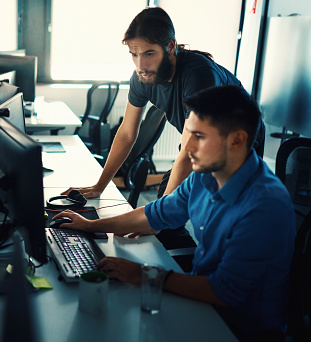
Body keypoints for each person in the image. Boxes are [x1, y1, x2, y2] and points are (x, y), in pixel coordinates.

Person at [53, 85, 294, 340]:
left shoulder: (265, 207)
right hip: (201, 305)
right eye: (188, 133)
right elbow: (154, 215)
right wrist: (89, 225)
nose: (187, 147)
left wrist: (143, 274)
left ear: (237, 140)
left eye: (199, 136)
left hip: (239, 328)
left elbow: (224, 292)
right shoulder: (204, 176)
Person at [61, 7, 265, 263]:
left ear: (170, 46)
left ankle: (190, 270)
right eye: (133, 54)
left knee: (212, 216)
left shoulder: (198, 74)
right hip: (200, 148)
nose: (140, 65)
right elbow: (126, 132)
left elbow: (189, 148)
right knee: (168, 207)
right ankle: (180, 266)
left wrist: (160, 218)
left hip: (237, 147)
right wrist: (100, 185)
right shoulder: (141, 78)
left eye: (149, 54)